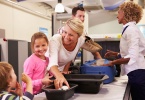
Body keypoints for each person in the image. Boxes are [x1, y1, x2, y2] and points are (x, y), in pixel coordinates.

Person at [103, 1, 145, 100]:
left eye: (119, 12)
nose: (117, 15)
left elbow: (132, 57)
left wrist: (113, 62)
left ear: (125, 13)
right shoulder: (130, 29)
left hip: (137, 74)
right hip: (136, 73)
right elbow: (133, 53)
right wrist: (116, 54)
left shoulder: (131, 30)